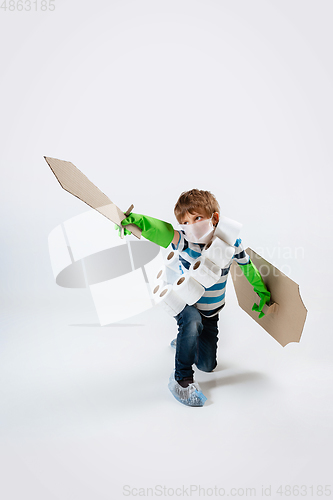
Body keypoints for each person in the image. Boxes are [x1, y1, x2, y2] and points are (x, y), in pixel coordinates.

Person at [119, 189, 270, 407]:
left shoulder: (230, 243)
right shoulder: (183, 242)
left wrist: (262, 291)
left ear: (214, 218)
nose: (191, 226)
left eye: (197, 218)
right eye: (185, 222)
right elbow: (162, 231)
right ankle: (181, 380)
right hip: (186, 303)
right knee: (191, 321)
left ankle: (185, 341)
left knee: (208, 366)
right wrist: (136, 221)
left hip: (212, 310)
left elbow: (248, 268)